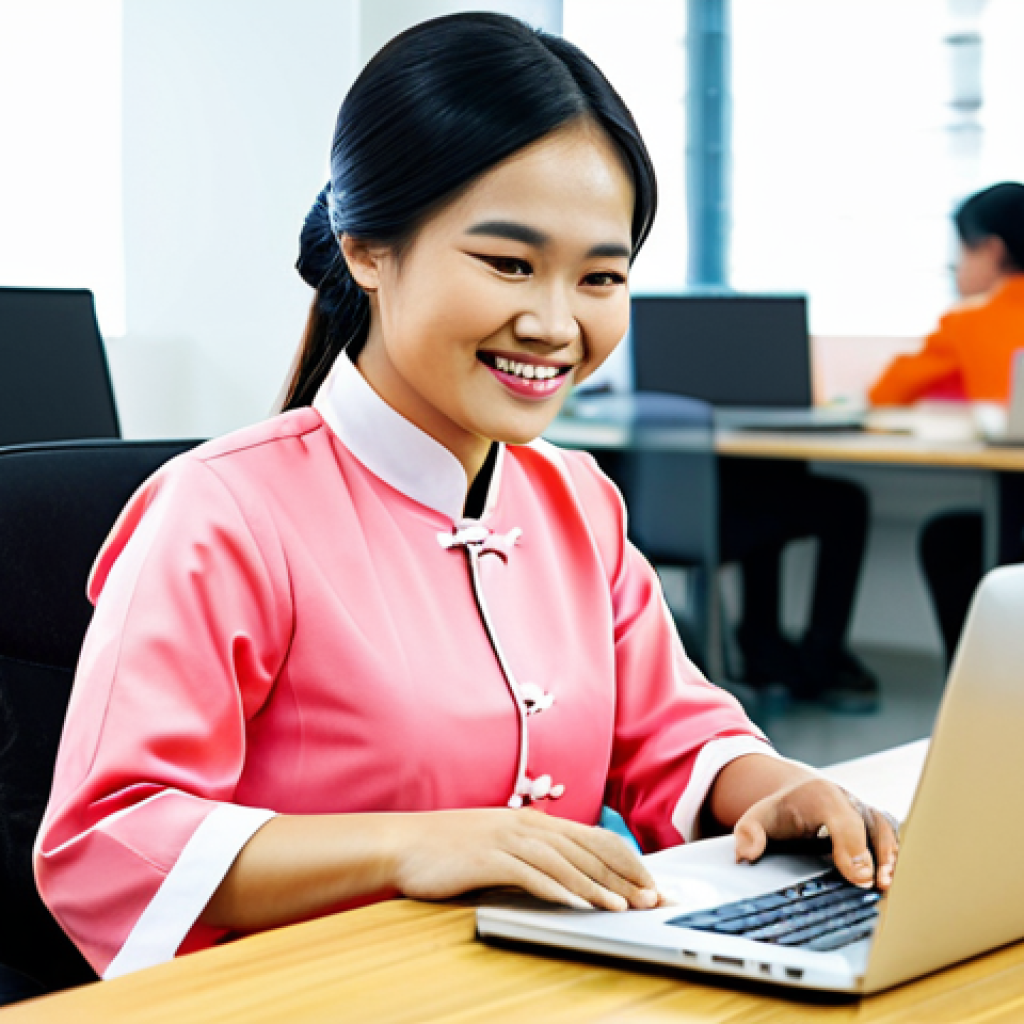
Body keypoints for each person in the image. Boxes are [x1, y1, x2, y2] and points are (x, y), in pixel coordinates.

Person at [35, 13, 897, 980]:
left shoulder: (577, 499)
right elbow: (113, 837)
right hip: (324, 994)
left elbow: (670, 731)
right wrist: (411, 845)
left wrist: (774, 788)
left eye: (599, 277)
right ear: (368, 248)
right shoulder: (219, 512)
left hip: (552, 984)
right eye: (509, 263)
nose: (554, 322)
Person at [870, 182, 1024, 662]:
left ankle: (973, 685)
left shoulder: (971, 321)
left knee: (950, 538)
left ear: (991, 250)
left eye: (960, 251)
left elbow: (886, 395)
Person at [718, 460, 876, 712]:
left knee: (766, 485)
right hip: (717, 505)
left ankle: (765, 644)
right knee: (844, 505)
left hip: (659, 504)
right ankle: (821, 655)